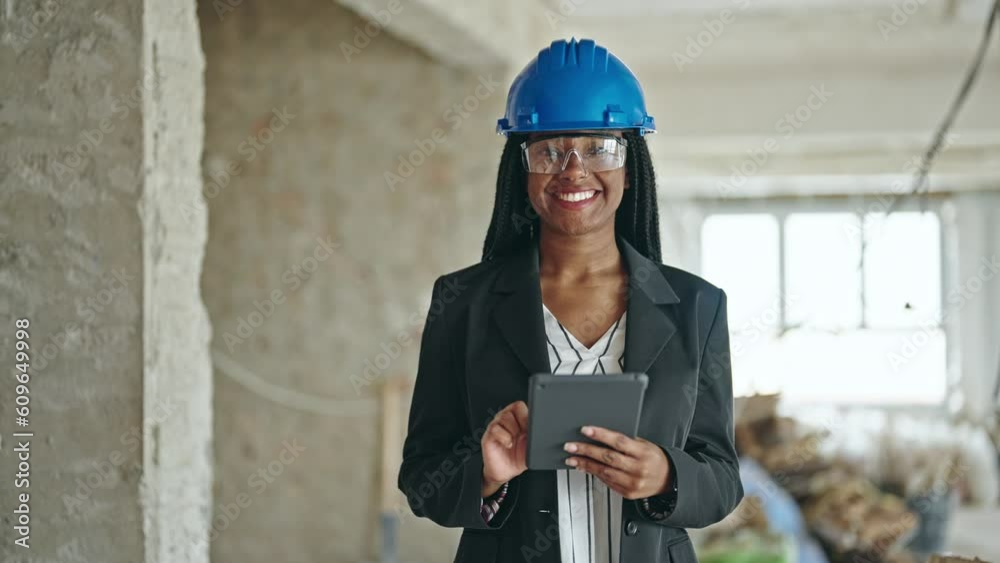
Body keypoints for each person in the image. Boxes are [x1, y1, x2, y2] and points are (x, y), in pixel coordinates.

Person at [397, 38, 743, 563]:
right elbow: (423, 479)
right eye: (549, 150)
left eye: (600, 148)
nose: (574, 170)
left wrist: (667, 477)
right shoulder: (463, 302)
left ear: (631, 164)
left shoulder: (697, 306)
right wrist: (485, 474)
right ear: (522, 166)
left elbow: (722, 477)